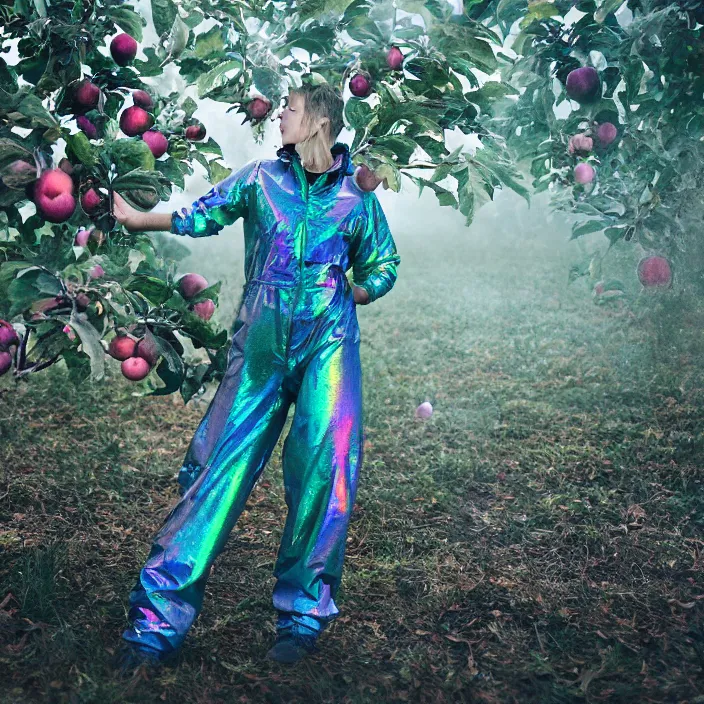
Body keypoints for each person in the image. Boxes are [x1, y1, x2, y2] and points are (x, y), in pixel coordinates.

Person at [111, 81, 401, 669]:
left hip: (330, 345)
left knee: (325, 472)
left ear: (319, 121)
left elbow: (385, 261)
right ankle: (155, 624)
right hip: (261, 344)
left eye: (290, 110)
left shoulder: (357, 195)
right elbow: (202, 214)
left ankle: (302, 619)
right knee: (217, 470)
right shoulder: (260, 179)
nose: (279, 119)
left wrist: (361, 288)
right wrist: (140, 220)